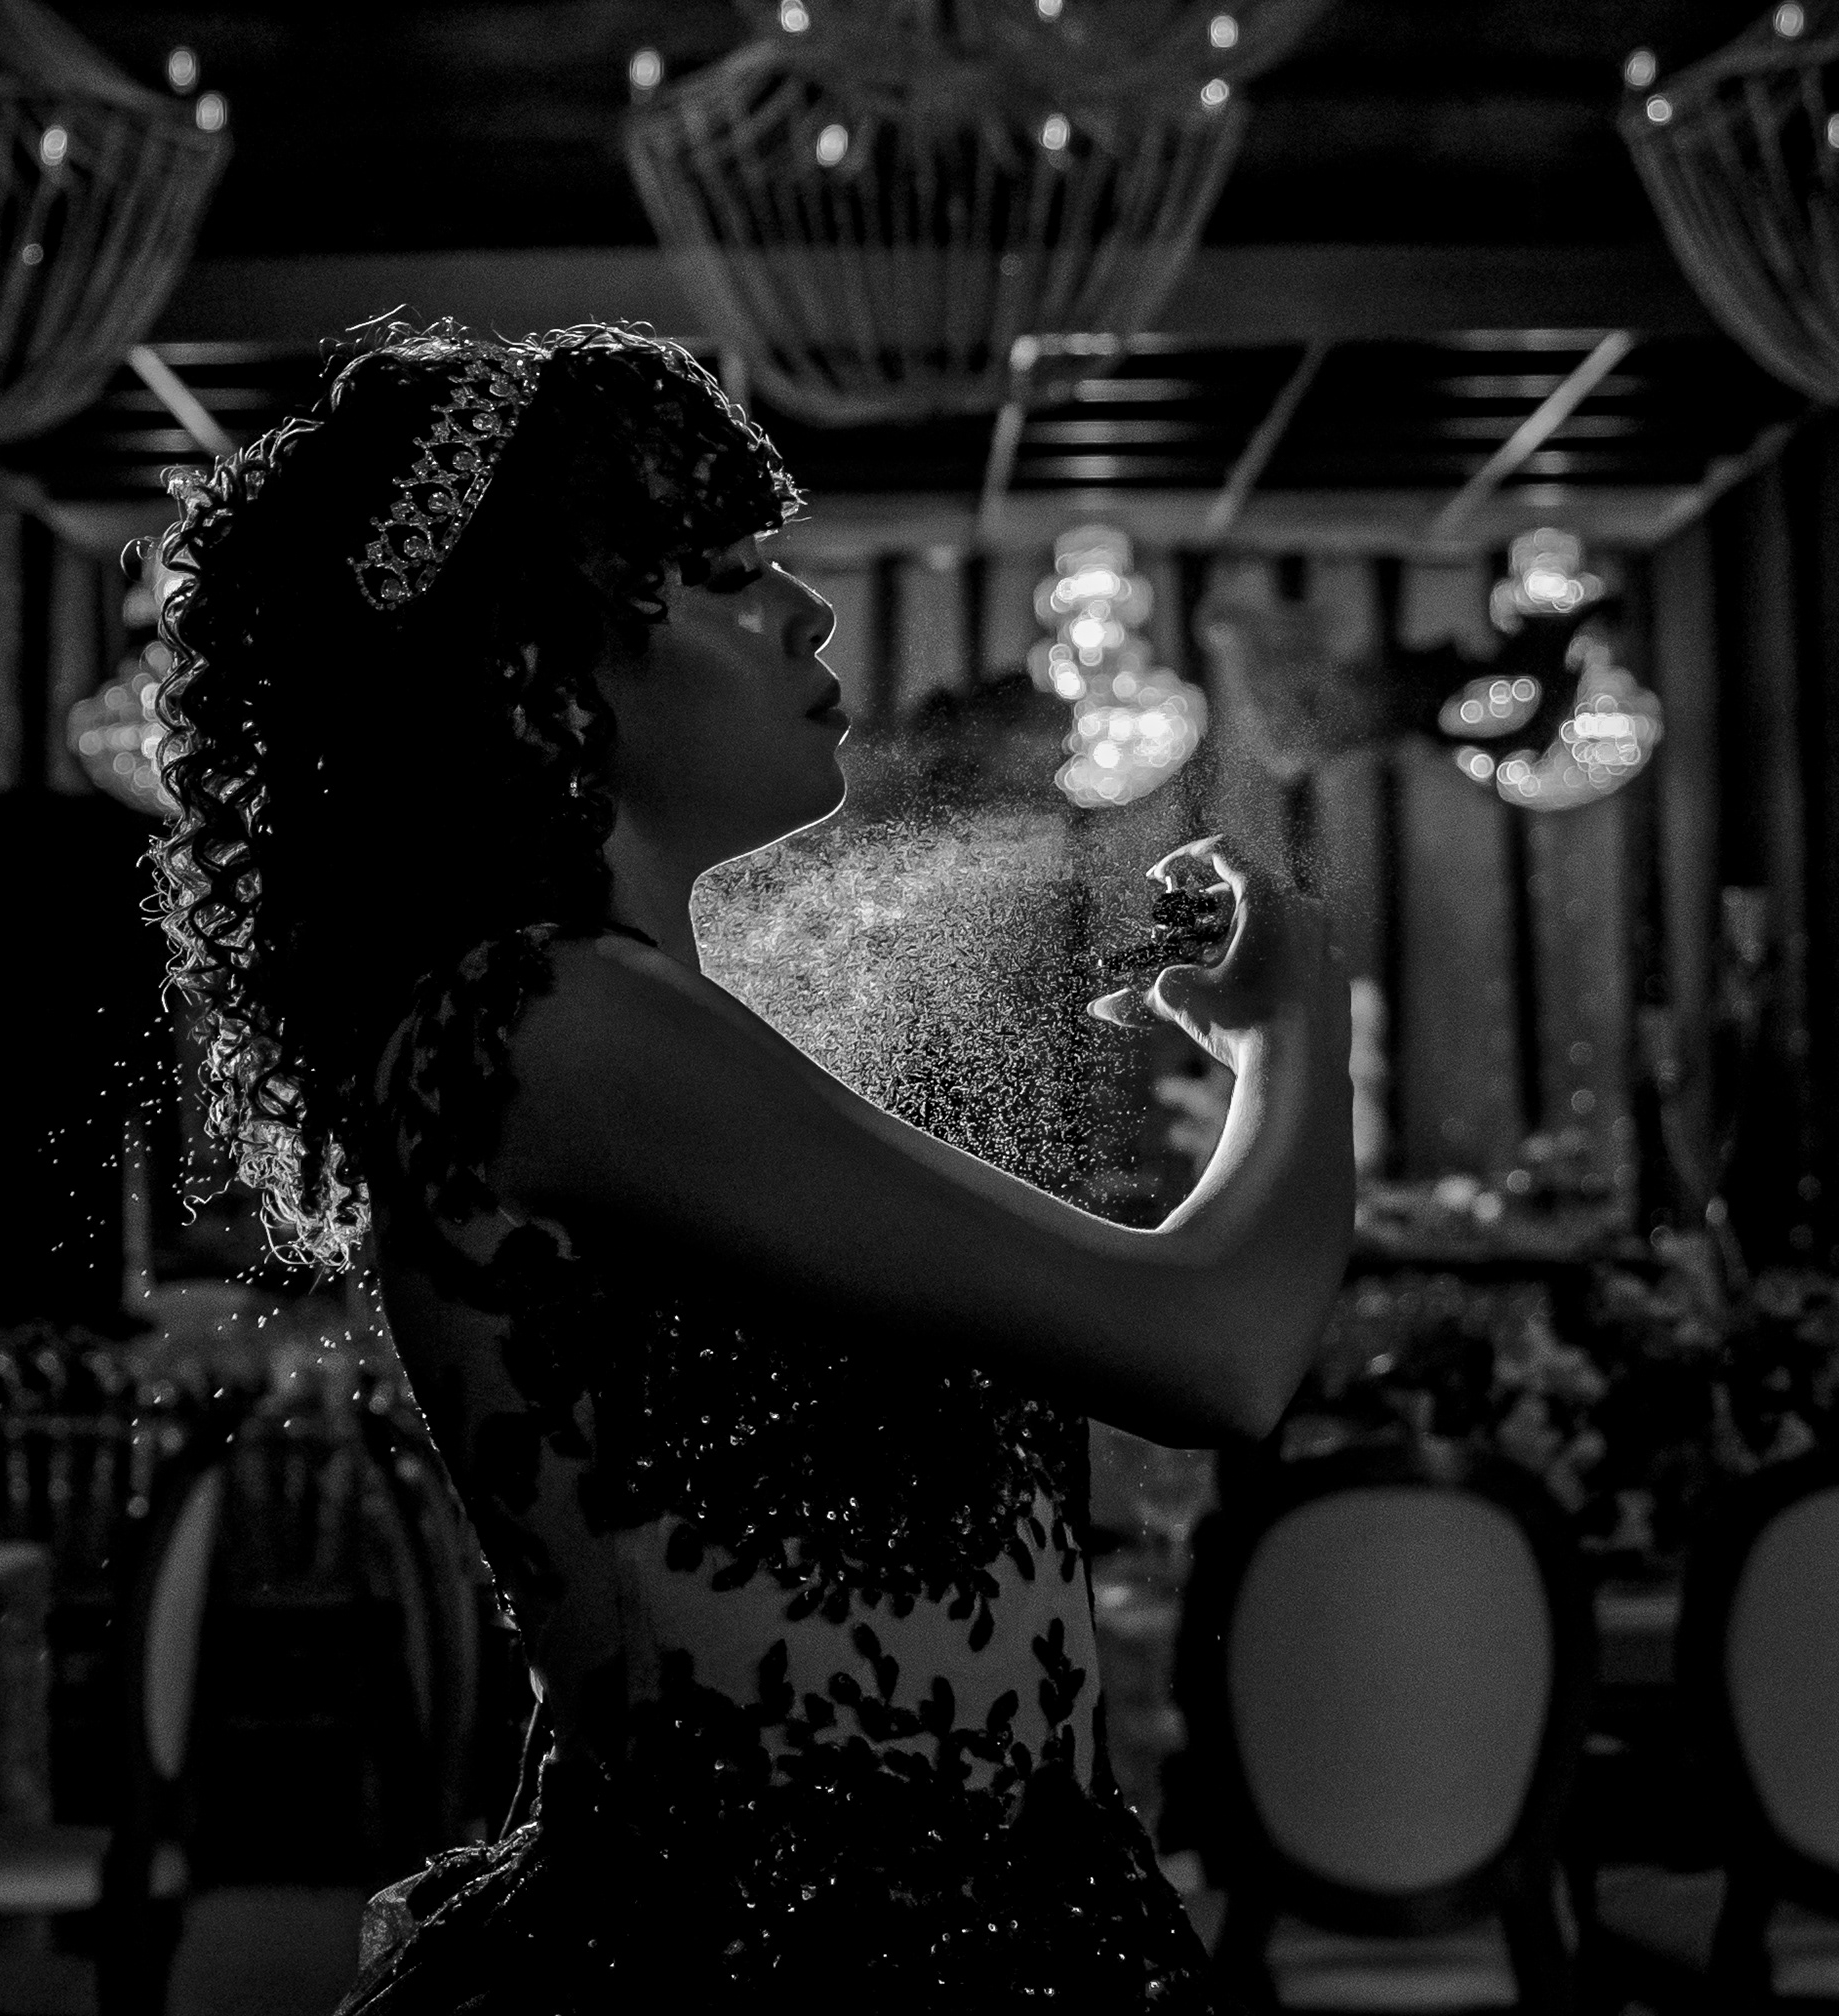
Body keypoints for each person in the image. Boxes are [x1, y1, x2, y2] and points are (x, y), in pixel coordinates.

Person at [152, 322, 1354, 2010]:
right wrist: (1300, 1031)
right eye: (724, 574)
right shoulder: (551, 1021)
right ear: (533, 668)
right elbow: (1218, 1350)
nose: (807, 611)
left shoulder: (592, 1016)